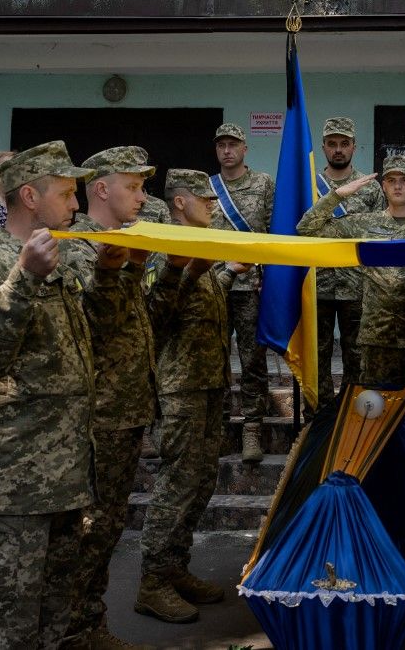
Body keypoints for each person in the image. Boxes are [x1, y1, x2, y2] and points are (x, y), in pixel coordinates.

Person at [0, 141, 129, 648]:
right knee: (2, 627)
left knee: (54, 623)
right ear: (30, 195)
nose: (76, 205)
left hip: (63, 480)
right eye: (67, 193)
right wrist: (25, 280)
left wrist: (114, 273)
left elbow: (100, 339)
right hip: (11, 488)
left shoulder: (63, 256)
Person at [136, 169, 249, 624]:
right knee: (176, 484)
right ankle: (152, 582)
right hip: (179, 386)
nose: (214, 205)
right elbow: (155, 316)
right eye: (205, 198)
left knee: (201, 482)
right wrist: (188, 271)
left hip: (210, 381)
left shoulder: (203, 246)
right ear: (180, 202)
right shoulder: (162, 247)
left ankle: (175, 569)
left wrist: (221, 274)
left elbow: (199, 305)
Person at [64, 146, 157, 649]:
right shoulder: (78, 246)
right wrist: (114, 270)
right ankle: (75, 631)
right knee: (90, 529)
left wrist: (135, 267)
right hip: (97, 414)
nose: (143, 197)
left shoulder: (123, 242)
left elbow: (130, 321)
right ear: (101, 189)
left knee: (108, 525)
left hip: (127, 406)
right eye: (134, 186)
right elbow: (91, 329)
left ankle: (89, 624)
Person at [297, 154, 405, 391]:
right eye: (391, 180)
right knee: (377, 415)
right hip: (377, 342)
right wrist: (337, 195)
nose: (398, 186)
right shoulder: (365, 224)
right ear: (383, 186)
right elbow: (306, 229)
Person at [208, 123, 274, 463]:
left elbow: (276, 231)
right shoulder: (207, 188)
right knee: (215, 360)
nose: (227, 150)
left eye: (233, 144)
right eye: (222, 145)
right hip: (215, 285)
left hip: (251, 287)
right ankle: (218, 427)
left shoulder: (262, 184)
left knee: (252, 360)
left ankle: (252, 429)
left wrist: (272, 278)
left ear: (245, 149)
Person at [312, 117, 385, 413]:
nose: (338, 150)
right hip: (316, 284)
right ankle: (320, 417)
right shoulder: (309, 184)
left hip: (358, 287)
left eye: (344, 144)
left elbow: (382, 234)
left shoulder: (369, 188)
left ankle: (350, 414)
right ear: (324, 147)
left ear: (354, 147)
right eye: (332, 144)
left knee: (357, 356)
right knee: (317, 355)